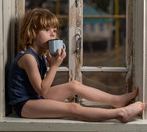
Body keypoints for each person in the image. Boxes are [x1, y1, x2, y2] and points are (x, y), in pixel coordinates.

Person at [7, 8, 145, 122]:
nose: (53, 35)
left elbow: (41, 88)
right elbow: (43, 90)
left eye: (54, 31)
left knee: (74, 85)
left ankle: (116, 100)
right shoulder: (28, 57)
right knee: (73, 108)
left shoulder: (40, 56)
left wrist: (50, 64)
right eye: (46, 30)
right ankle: (120, 114)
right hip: (25, 105)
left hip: (35, 97)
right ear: (32, 32)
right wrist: (54, 66)